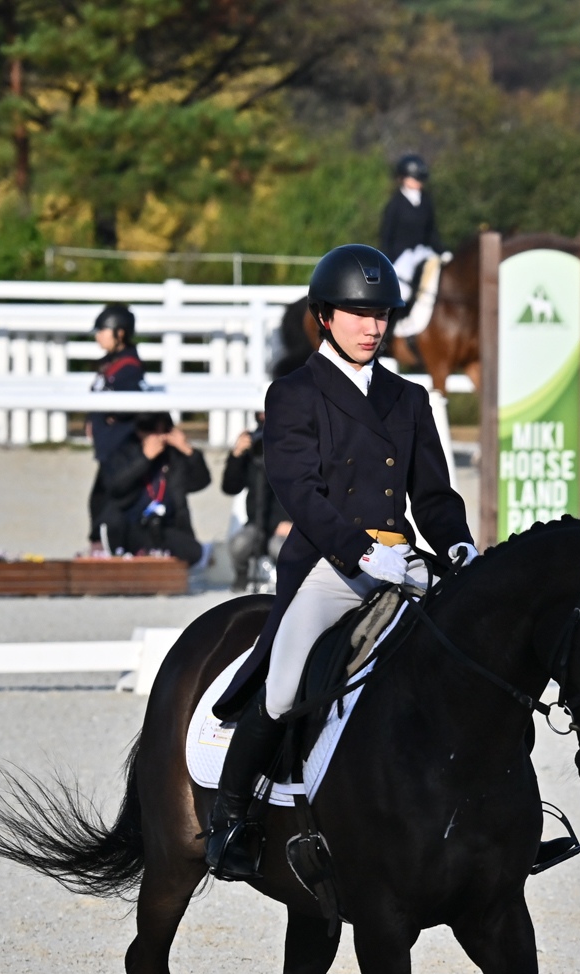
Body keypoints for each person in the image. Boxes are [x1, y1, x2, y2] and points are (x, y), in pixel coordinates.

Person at [200, 244, 472, 881]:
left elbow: (433, 495)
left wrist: (457, 545)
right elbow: (299, 491)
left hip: (404, 562)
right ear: (325, 317)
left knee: (474, 655)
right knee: (283, 685)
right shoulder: (294, 394)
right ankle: (230, 820)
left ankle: (488, 814)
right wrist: (363, 552)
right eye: (358, 313)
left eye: (381, 314)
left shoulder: (408, 398)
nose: (373, 327)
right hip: (332, 564)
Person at [95, 413, 209, 566]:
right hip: (129, 525)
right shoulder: (123, 450)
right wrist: (145, 458)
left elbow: (200, 482)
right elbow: (115, 488)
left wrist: (188, 450)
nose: (158, 436)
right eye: (151, 429)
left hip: (166, 526)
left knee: (193, 551)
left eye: (164, 430)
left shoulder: (174, 456)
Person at [86, 303, 147, 551]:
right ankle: (100, 547)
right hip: (107, 449)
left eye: (103, 330)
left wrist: (112, 412)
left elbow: (129, 406)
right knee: (98, 501)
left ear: (119, 333)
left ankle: (106, 549)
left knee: (107, 503)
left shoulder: (128, 367)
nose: (98, 336)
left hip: (120, 449)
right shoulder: (109, 364)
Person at [219, 412, 292, 592]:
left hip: (286, 524)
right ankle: (241, 576)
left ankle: (290, 583)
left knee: (282, 548)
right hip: (256, 522)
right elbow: (230, 487)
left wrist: (294, 524)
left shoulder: (294, 447)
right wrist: (237, 455)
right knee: (240, 544)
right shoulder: (253, 449)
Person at [379, 155, 442, 294]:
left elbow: (431, 231)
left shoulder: (426, 202)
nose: (418, 182)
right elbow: (386, 234)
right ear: (403, 178)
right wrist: (387, 260)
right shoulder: (395, 204)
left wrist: (442, 251)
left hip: (423, 251)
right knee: (403, 291)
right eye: (414, 178)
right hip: (401, 256)